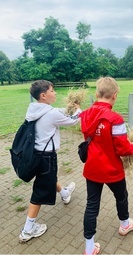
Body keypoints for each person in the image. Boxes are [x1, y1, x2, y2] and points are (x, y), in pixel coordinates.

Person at [79, 77, 133, 255]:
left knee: (92, 205)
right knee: (121, 196)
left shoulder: (84, 115)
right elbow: (122, 148)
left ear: (97, 94)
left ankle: (89, 247)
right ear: (114, 96)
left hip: (92, 168)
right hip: (112, 169)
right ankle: (124, 225)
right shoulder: (115, 118)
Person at [19, 80, 80, 243]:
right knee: (40, 191)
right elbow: (74, 120)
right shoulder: (51, 114)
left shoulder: (34, 109)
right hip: (46, 157)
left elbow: (57, 112)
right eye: (52, 91)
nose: (55, 93)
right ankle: (27, 230)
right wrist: (78, 108)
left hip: (35, 155)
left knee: (48, 178)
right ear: (43, 95)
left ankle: (65, 193)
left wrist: (68, 107)